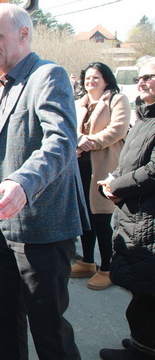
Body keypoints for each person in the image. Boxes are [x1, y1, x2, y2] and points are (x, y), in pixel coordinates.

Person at [0, 3, 87, 360]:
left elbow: (60, 141)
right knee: (5, 316)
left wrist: (21, 182)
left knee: (49, 332)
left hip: (43, 231)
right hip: (6, 226)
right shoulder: (8, 83)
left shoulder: (48, 75)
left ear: (24, 34)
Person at [98, 59, 155, 360]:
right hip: (135, 213)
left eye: (149, 76)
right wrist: (114, 180)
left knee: (148, 292)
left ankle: (145, 355)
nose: (142, 81)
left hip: (149, 218)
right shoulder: (145, 116)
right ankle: (141, 343)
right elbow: (132, 158)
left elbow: (153, 171)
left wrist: (117, 186)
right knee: (141, 288)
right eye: (140, 77)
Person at [72, 62, 130, 290]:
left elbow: (118, 129)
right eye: (87, 77)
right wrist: (78, 140)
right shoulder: (79, 103)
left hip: (105, 167)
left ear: (106, 79)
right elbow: (69, 128)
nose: (91, 81)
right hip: (80, 167)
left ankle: (107, 268)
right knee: (84, 217)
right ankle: (87, 262)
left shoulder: (117, 100)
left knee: (102, 219)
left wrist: (89, 142)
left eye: (96, 77)